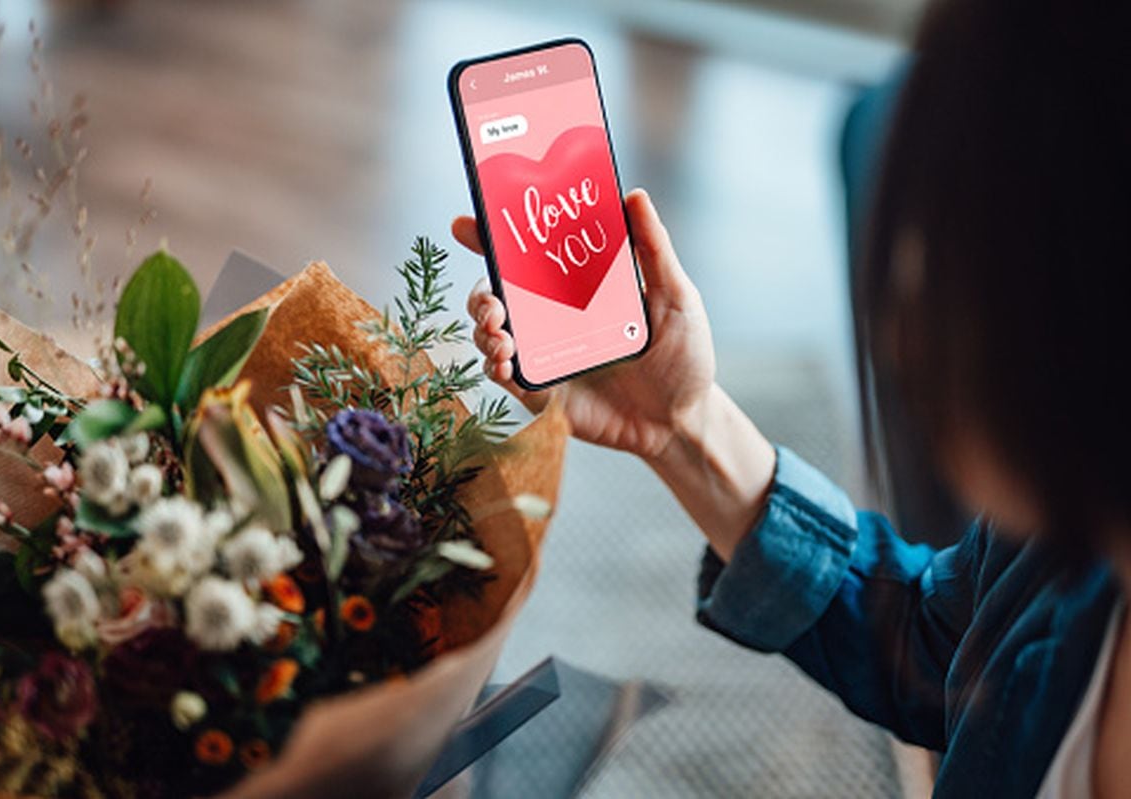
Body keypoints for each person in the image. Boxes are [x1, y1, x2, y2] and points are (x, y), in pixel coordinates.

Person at [451, 0, 1131, 796]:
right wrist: (680, 424)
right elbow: (945, 650)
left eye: (939, 262)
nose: (906, 337)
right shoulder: (1069, 545)